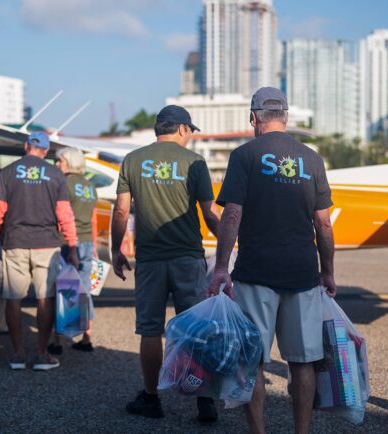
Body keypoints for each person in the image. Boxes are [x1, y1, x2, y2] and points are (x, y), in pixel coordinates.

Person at [208, 87, 337, 434]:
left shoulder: (244, 155)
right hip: (303, 274)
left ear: (253, 118)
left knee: (253, 362)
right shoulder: (311, 159)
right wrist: (328, 272)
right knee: (303, 362)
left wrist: (221, 267)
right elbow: (323, 223)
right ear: (287, 117)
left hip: (256, 273)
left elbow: (232, 213)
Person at [111, 105, 220, 422]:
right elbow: (209, 213)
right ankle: (204, 400)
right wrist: (228, 245)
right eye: (191, 132)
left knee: (150, 330)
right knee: (197, 329)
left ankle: (151, 397)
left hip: (149, 260)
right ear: (184, 129)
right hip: (188, 257)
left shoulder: (133, 160)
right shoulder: (195, 162)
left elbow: (121, 212)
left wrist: (116, 249)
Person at [0, 131, 79, 371]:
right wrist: (73, 246)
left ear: (26, 146)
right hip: (47, 245)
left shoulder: (6, 173)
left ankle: (17, 354)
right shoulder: (56, 175)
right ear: (46, 151)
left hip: (14, 243)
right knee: (44, 298)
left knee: (13, 298)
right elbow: (65, 215)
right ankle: (41, 353)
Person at [49, 147, 98, 354]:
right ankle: (87, 337)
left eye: (59, 161)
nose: (57, 165)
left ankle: (58, 341)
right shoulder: (90, 186)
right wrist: (94, 246)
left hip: (68, 244)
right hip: (87, 242)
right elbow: (93, 218)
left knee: (62, 290)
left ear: (68, 162)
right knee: (84, 291)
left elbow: (61, 216)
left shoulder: (63, 184)